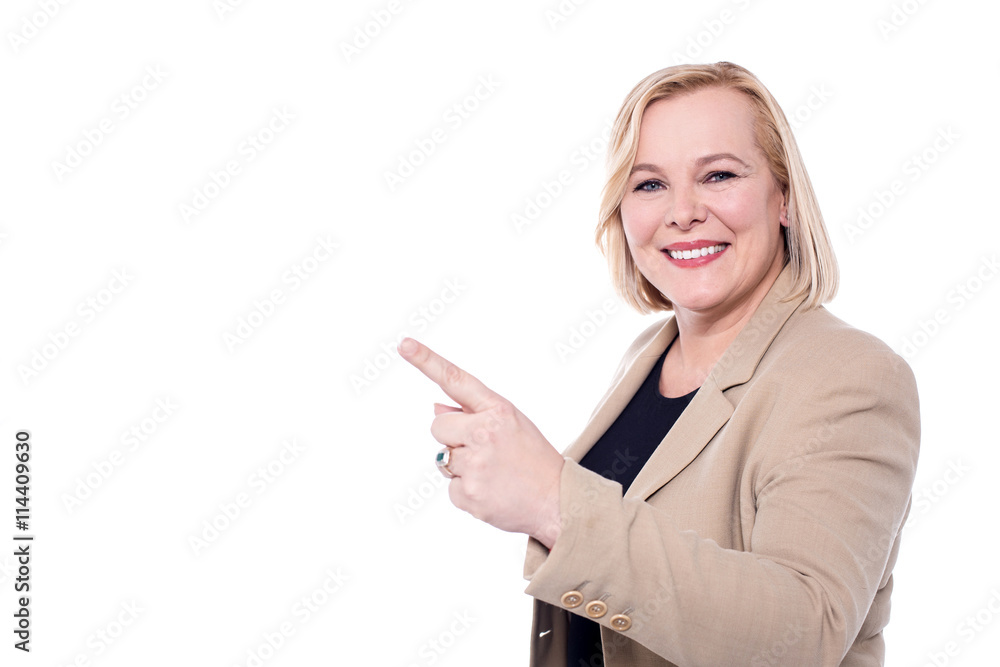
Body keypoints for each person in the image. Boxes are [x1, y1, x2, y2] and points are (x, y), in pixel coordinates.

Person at [398, 62, 919, 667]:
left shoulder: (850, 375)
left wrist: (552, 502)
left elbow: (802, 635)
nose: (683, 211)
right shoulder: (645, 357)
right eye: (649, 185)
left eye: (719, 175)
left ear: (784, 198)